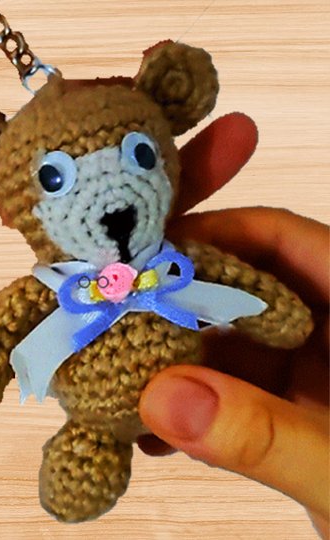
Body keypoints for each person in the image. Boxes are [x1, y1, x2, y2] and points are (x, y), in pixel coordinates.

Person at [136, 112, 329, 538]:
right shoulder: (59, 286)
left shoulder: (177, 263)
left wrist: (278, 315)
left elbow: (234, 280)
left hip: (184, 372)